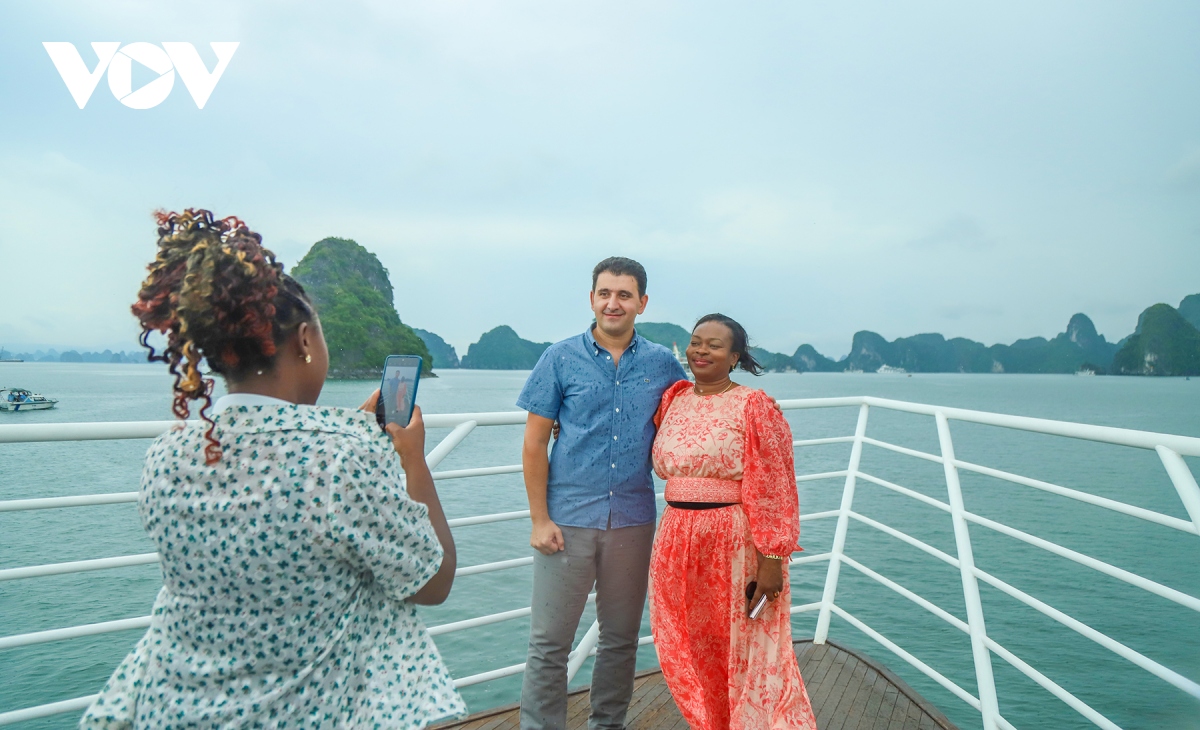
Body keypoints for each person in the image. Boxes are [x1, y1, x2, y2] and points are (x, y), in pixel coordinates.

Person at [80, 209, 466, 729]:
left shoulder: (167, 455)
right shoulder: (339, 460)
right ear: (305, 340)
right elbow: (433, 582)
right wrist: (411, 459)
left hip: (173, 708)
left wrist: (349, 436)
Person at [516, 257, 688, 730]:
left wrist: (748, 403)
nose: (614, 303)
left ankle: (608, 725)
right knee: (549, 643)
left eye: (624, 295)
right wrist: (539, 519)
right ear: (592, 298)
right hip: (565, 519)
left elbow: (693, 416)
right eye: (605, 293)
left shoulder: (662, 363)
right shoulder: (559, 357)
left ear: (642, 303)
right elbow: (534, 442)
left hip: (633, 518)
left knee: (620, 639)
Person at [648, 314, 816, 729]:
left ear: (735, 356)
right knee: (689, 641)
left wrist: (772, 558)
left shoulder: (753, 404)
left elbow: (774, 484)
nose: (701, 351)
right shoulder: (673, 399)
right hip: (675, 539)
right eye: (696, 342)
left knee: (742, 642)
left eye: (714, 345)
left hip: (731, 541)